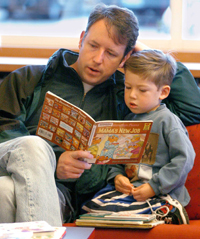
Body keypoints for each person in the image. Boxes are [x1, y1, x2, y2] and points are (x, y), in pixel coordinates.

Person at [0, 3, 199, 226]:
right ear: (81, 39)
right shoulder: (31, 78)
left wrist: (146, 54)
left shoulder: (128, 97)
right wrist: (53, 164)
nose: (98, 59)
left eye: (112, 53)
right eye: (93, 45)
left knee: (5, 192)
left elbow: (192, 109)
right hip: (13, 164)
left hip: (64, 199)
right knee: (33, 147)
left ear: (124, 58)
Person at [81, 49, 196, 224]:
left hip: (162, 193)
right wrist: (118, 178)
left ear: (163, 92)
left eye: (142, 90)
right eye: (128, 87)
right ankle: (133, 215)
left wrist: (153, 186)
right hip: (130, 192)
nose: (132, 95)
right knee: (91, 207)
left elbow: (185, 158)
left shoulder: (167, 121)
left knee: (137, 211)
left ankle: (169, 212)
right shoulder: (128, 120)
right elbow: (117, 160)